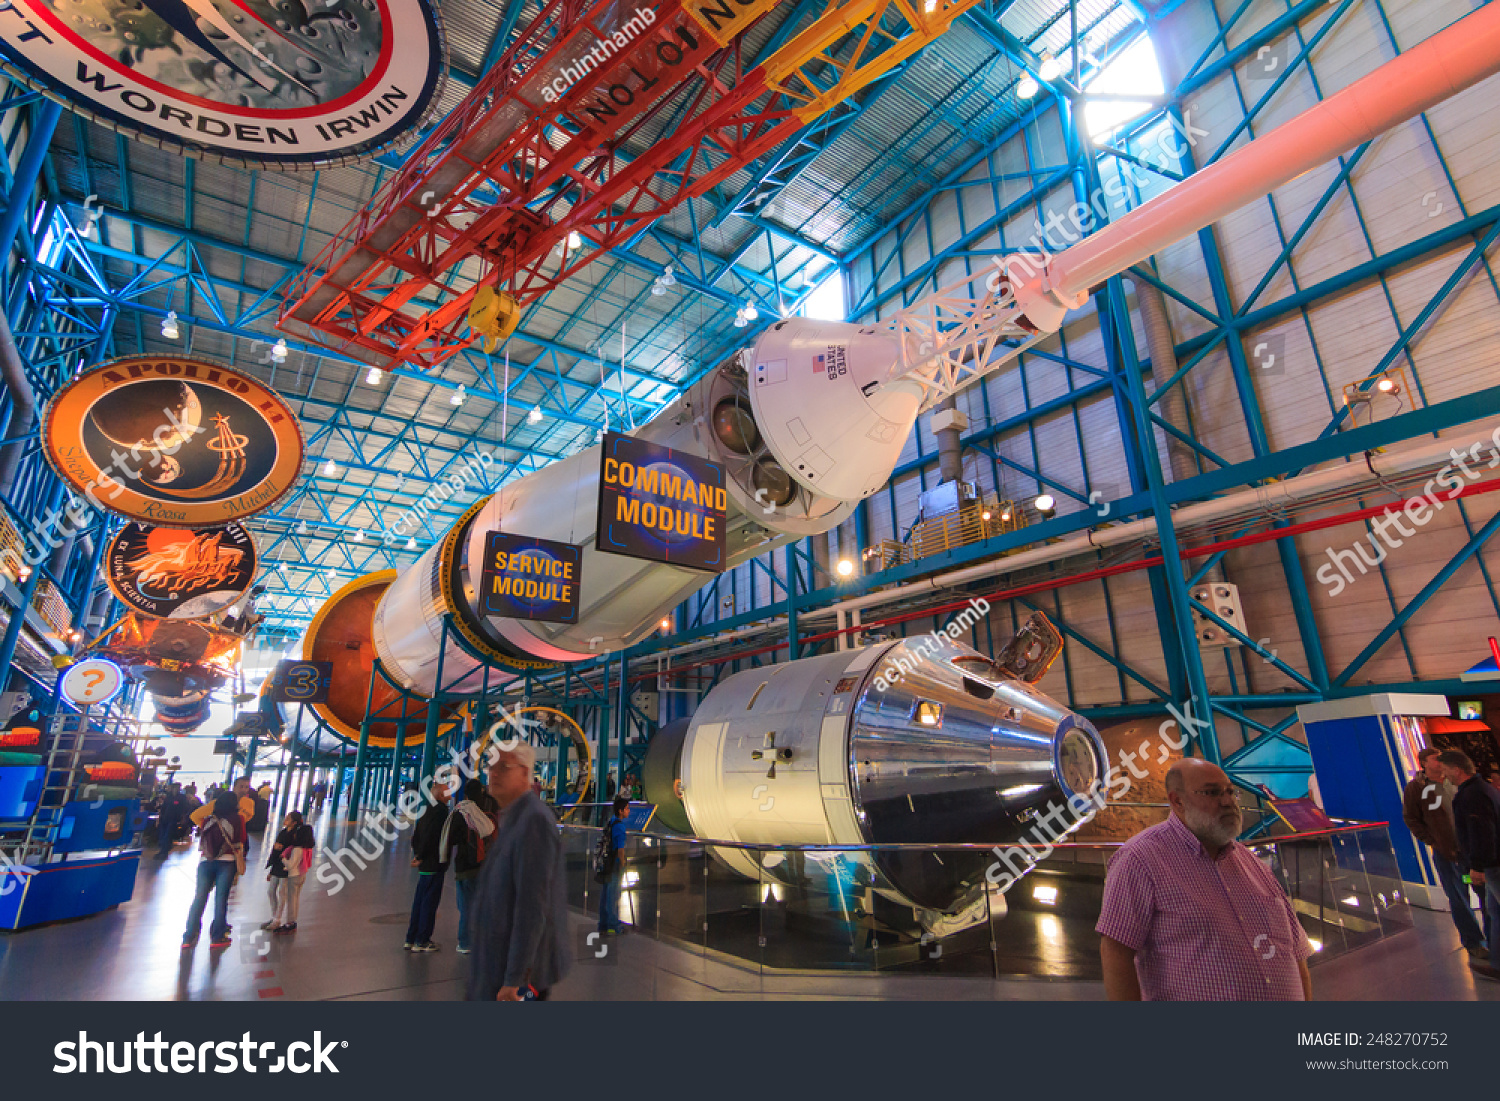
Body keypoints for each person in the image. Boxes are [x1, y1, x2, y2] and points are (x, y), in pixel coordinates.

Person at [1097, 758, 1313, 1000]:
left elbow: (1297, 954)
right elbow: (1116, 951)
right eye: (1212, 792)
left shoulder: (1254, 865)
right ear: (1177, 800)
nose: (1227, 802)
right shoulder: (1140, 859)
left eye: (1231, 792)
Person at [467, 744, 571, 1001]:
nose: (493, 774)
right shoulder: (513, 818)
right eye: (491, 767)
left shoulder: (533, 821)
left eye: (503, 767)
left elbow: (531, 906)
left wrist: (516, 979)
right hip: (497, 968)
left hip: (517, 980)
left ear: (525, 774)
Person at [1403, 746, 1488, 959]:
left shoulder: (1456, 783)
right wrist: (1433, 841)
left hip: (1471, 850)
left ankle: (1492, 938)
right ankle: (1474, 941)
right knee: (1459, 899)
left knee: (1486, 895)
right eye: (1435, 759)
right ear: (1424, 763)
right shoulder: (1417, 788)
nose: (1440, 762)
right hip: (1446, 853)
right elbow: (1411, 818)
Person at [1440, 750, 1500, 981]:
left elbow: (1482, 833)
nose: (1445, 776)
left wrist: (1477, 866)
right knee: (1495, 912)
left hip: (1492, 865)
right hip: (1492, 863)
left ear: (1457, 769)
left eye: (1446, 771)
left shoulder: (1472, 794)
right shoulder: (1484, 789)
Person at [182, 792, 245, 950]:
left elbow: (196, 818)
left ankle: (189, 936)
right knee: (221, 899)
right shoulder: (238, 819)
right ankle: (217, 937)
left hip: (205, 862)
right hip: (227, 862)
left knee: (200, 897)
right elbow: (241, 840)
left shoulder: (208, 820)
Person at [441, 779, 498, 955]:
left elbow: (451, 840)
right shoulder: (485, 813)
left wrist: (445, 860)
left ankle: (465, 941)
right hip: (483, 865)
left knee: (465, 906)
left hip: (463, 866)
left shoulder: (460, 812)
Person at [404, 783, 450, 951]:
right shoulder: (441, 812)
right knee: (429, 902)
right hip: (434, 862)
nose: (450, 793)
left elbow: (417, 835)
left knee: (419, 900)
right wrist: (423, 855)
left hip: (424, 864)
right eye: (447, 791)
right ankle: (422, 940)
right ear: (441, 795)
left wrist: (417, 855)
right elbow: (433, 836)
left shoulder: (425, 811)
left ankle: (410, 938)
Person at [263, 810, 316, 934]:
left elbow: (290, 854)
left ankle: (278, 919)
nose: (285, 819)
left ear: (294, 822)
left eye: (288, 818)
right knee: (271, 891)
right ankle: (275, 916)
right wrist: (271, 869)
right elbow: (275, 851)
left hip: (286, 869)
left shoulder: (295, 837)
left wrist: (282, 854)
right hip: (277, 866)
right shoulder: (283, 833)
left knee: (283, 893)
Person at [598, 795, 629, 936]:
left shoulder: (611, 822)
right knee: (613, 894)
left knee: (605, 893)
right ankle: (613, 924)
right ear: (621, 811)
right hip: (614, 864)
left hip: (605, 861)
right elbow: (620, 850)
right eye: (627, 808)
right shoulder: (620, 827)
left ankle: (603, 923)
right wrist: (622, 863)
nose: (629, 811)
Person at [155, 783, 184, 859]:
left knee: (167, 836)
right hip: (164, 819)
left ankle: (164, 852)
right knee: (162, 835)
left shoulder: (181, 798)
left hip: (173, 819)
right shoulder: (169, 797)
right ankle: (162, 851)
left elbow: (183, 809)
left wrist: (181, 819)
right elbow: (164, 807)